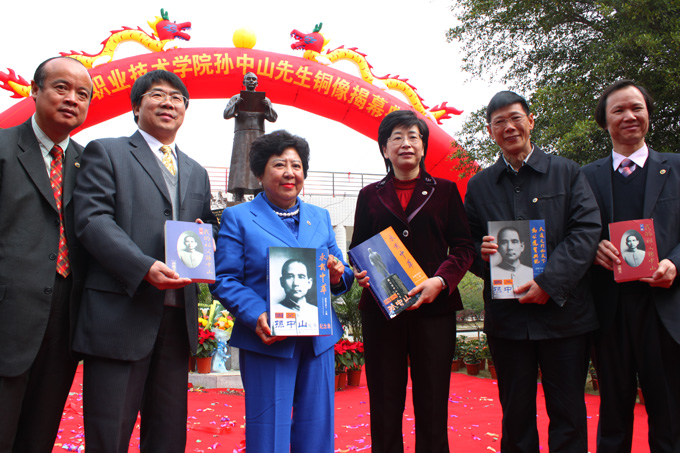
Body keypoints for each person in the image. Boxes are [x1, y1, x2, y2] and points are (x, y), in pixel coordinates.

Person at [72, 69, 218, 452]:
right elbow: (92, 220)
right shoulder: (107, 151)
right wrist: (142, 267)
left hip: (177, 317)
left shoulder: (196, 171)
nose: (168, 103)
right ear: (136, 107)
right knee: (109, 434)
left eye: (177, 97)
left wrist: (209, 240)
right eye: (157, 95)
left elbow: (206, 226)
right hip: (121, 314)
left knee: (168, 435)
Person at [464, 91, 601, 452]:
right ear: (490, 131)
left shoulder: (567, 172)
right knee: (516, 417)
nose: (509, 127)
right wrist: (482, 254)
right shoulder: (479, 185)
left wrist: (549, 283)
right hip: (508, 322)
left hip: (564, 317)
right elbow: (465, 244)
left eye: (515, 118)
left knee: (569, 414)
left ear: (530, 121)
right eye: (499, 122)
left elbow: (586, 231)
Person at [210, 130, 354, 452]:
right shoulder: (238, 217)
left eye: (296, 165)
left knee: (317, 431)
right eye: (279, 165)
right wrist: (257, 313)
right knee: (268, 435)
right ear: (260, 174)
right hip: (268, 340)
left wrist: (336, 274)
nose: (290, 173)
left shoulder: (320, 217)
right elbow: (224, 278)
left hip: (318, 341)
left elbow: (343, 275)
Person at [350, 110, 475, 453]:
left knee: (432, 400)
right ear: (384, 148)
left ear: (423, 147)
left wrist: (441, 280)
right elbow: (358, 248)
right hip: (382, 312)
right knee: (384, 401)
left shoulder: (446, 191)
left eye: (413, 137)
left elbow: (464, 247)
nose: (405, 143)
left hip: (434, 311)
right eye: (397, 137)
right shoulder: (369, 195)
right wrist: (360, 271)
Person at [582, 79, 680, 452]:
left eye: (637, 108)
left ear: (648, 115)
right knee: (613, 414)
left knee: (670, 414)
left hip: (664, 309)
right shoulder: (585, 177)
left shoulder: (676, 167)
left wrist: (675, 263)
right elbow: (571, 232)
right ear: (604, 121)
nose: (629, 116)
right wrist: (592, 248)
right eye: (618, 110)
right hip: (610, 312)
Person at [0, 56, 92, 452]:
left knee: (39, 436)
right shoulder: (4, 147)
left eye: (82, 94)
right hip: (8, 315)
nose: (72, 99)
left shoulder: (91, 164)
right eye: (61, 88)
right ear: (35, 91)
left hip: (64, 321)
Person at [224, 72, 278, 201]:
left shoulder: (264, 100)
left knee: (258, 162)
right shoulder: (236, 98)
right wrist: (236, 105)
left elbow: (273, 118)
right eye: (248, 79)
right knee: (240, 164)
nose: (251, 81)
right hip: (241, 135)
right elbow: (226, 114)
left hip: (258, 135)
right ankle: (238, 195)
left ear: (257, 83)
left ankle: (258, 194)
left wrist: (267, 107)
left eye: (254, 79)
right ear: (244, 82)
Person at [493, 226, 534, 290]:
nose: (509, 247)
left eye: (514, 242)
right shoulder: (492, 272)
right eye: (504, 242)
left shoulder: (531, 272)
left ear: (522, 246)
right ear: (498, 247)